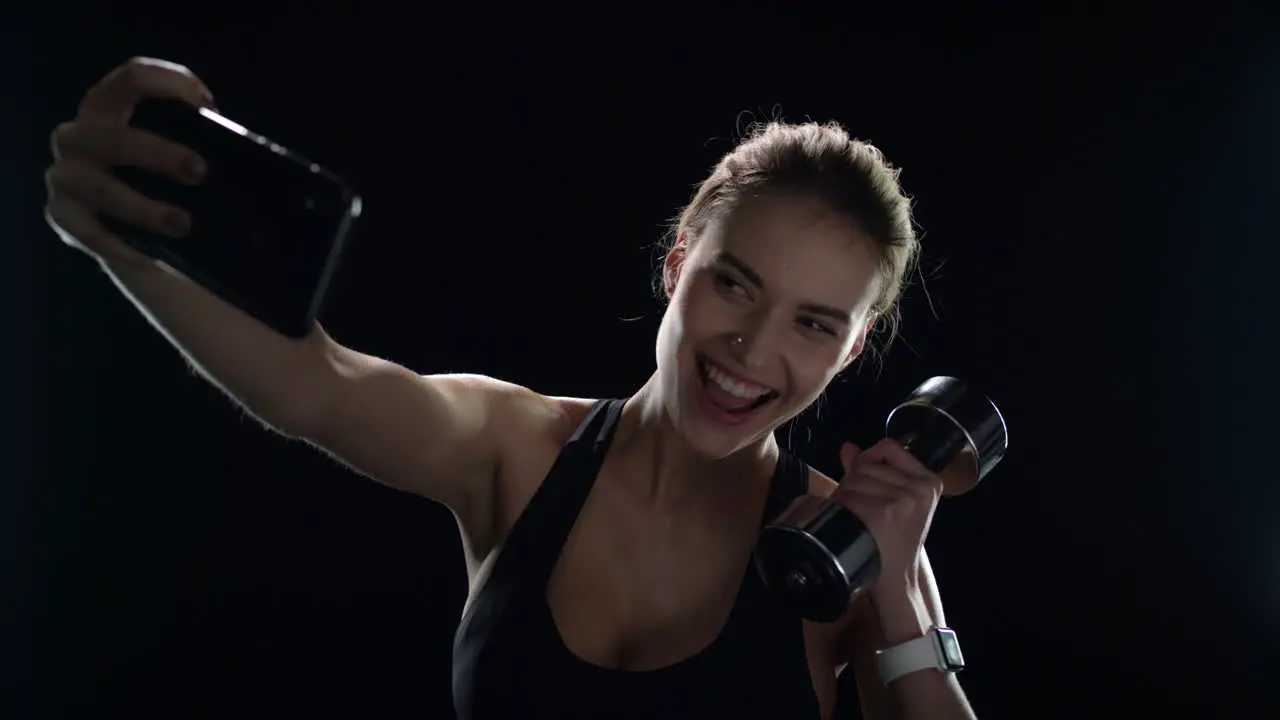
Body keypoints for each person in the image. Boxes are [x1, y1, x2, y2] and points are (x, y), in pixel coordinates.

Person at [43, 57, 980, 720]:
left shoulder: (857, 565)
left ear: (850, 353)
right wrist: (123, 240)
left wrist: (899, 595)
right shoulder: (517, 449)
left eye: (815, 324)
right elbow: (315, 386)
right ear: (676, 263)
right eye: (735, 283)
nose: (753, 348)